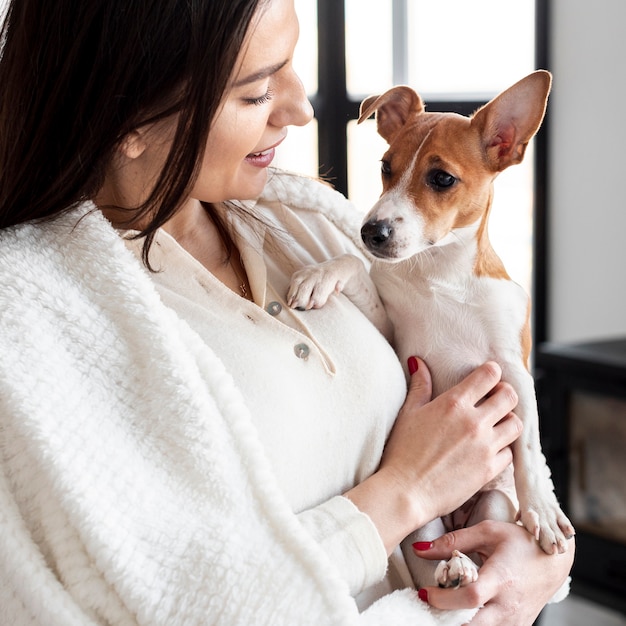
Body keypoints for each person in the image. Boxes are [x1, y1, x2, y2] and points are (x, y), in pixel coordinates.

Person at [0, 0, 574, 624]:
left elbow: (483, 426)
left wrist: (533, 562)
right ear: (128, 117)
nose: (301, 109)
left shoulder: (307, 227)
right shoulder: (37, 319)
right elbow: (179, 604)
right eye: (256, 92)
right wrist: (406, 491)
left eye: (294, 65)